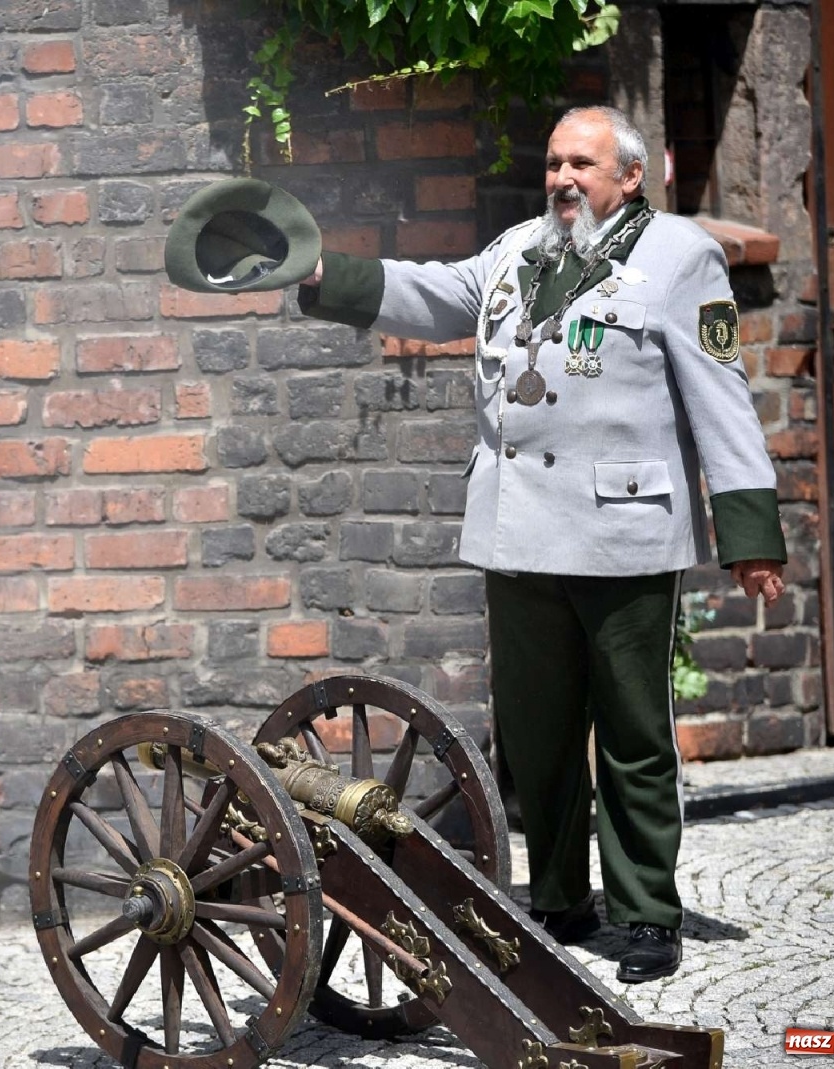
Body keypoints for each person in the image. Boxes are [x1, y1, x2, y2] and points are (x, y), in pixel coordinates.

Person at [297, 105, 786, 983]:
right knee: (537, 735)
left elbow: (722, 398)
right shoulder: (517, 248)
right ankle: (560, 896)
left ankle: (644, 914)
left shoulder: (681, 257)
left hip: (625, 533)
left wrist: (750, 535)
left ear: (629, 176)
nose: (563, 178)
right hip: (519, 530)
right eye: (555, 162)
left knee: (634, 733)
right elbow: (435, 291)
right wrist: (323, 272)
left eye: (583, 165)